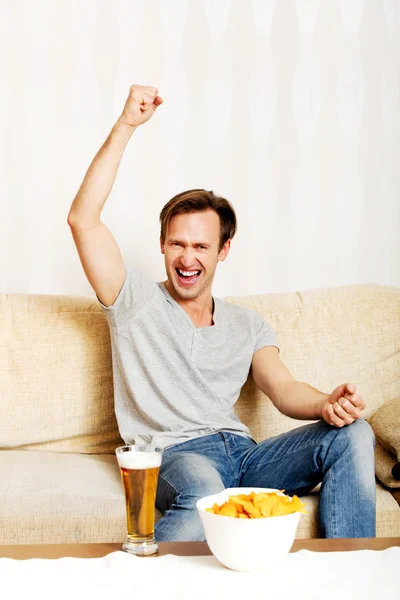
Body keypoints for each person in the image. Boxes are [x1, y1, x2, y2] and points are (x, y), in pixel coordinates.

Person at [68, 84, 376, 541]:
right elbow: (83, 220)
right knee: (205, 491)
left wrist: (326, 405)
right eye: (177, 243)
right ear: (162, 245)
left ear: (223, 250)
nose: (186, 258)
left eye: (200, 246)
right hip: (179, 455)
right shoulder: (134, 301)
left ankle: (350, 576)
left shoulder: (248, 323)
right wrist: (127, 126)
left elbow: (283, 387)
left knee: (354, 434)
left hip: (248, 455)